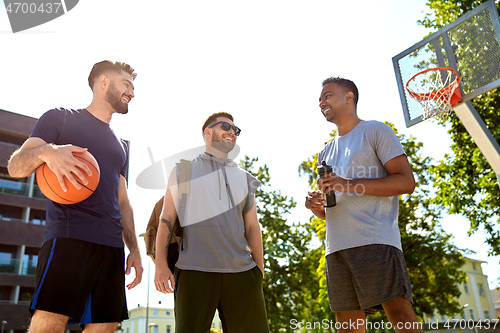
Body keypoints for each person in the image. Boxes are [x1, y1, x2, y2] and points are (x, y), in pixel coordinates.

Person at [7, 60, 143, 333]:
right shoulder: (60, 118)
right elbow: (15, 166)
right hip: (70, 234)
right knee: (51, 318)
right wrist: (47, 152)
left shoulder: (120, 146)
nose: (132, 92)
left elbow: (123, 201)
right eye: (126, 84)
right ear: (103, 82)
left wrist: (135, 250)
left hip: (111, 243)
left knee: (105, 324)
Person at [305, 77, 423, 333]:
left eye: (328, 95)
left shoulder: (375, 130)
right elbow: (333, 209)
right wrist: (318, 209)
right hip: (336, 248)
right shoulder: (324, 153)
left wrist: (348, 184)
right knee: (348, 327)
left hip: (375, 240)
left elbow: (406, 182)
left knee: (400, 315)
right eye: (320, 99)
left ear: (349, 97)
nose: (322, 101)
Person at [154, 112, 269, 333]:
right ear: (208, 132)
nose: (231, 132)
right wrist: (160, 264)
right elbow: (166, 219)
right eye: (225, 126)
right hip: (193, 271)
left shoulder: (245, 178)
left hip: (242, 274)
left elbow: (253, 226)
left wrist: (258, 270)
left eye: (235, 130)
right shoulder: (182, 171)